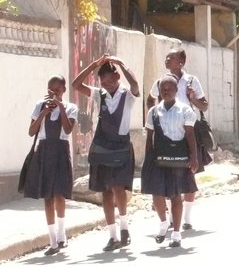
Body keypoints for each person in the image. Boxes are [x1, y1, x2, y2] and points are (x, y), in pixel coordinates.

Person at [72, 54, 141, 252]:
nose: (108, 84)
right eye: (104, 82)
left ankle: (125, 228)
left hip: (121, 146)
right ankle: (112, 235)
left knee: (119, 188)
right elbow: (77, 84)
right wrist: (93, 65)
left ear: (118, 77)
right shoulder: (99, 94)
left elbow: (135, 84)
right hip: (103, 148)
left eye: (111, 80)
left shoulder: (127, 96)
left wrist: (122, 63)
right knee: (105, 191)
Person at [147, 48, 209, 232]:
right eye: (166, 56)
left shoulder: (191, 81)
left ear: (181, 61)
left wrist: (192, 98)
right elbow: (150, 99)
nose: (167, 59)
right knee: (167, 174)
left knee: (189, 174)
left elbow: (204, 105)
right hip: (166, 134)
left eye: (171, 57)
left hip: (187, 131)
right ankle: (173, 218)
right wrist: (152, 117)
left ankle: (187, 218)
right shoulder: (161, 81)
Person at [143, 75, 200, 248]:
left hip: (178, 158)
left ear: (177, 91)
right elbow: (149, 137)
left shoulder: (185, 111)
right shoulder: (153, 112)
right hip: (158, 158)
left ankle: (176, 233)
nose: (166, 92)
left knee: (176, 195)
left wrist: (194, 158)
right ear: (159, 92)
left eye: (170, 89)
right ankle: (163, 223)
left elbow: (190, 135)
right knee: (157, 193)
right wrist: (148, 159)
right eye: (163, 89)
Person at [23, 76, 78, 256]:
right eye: (50, 89)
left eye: (57, 89)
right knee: (47, 196)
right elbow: (32, 131)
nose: (53, 93)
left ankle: (62, 233)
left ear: (63, 90)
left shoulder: (70, 108)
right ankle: (52, 239)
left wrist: (60, 107)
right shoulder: (40, 106)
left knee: (59, 194)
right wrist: (44, 113)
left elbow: (68, 129)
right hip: (44, 151)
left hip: (60, 151)